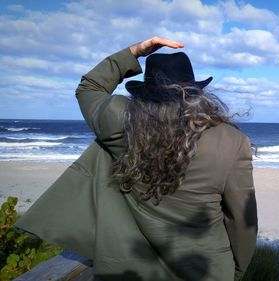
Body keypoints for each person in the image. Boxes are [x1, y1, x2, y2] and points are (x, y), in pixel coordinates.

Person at [15, 37, 258, 281]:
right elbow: (242, 222)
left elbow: (89, 87)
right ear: (197, 93)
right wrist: (236, 271)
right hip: (205, 270)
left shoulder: (119, 122)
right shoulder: (232, 142)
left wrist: (135, 52)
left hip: (125, 269)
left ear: (145, 92)